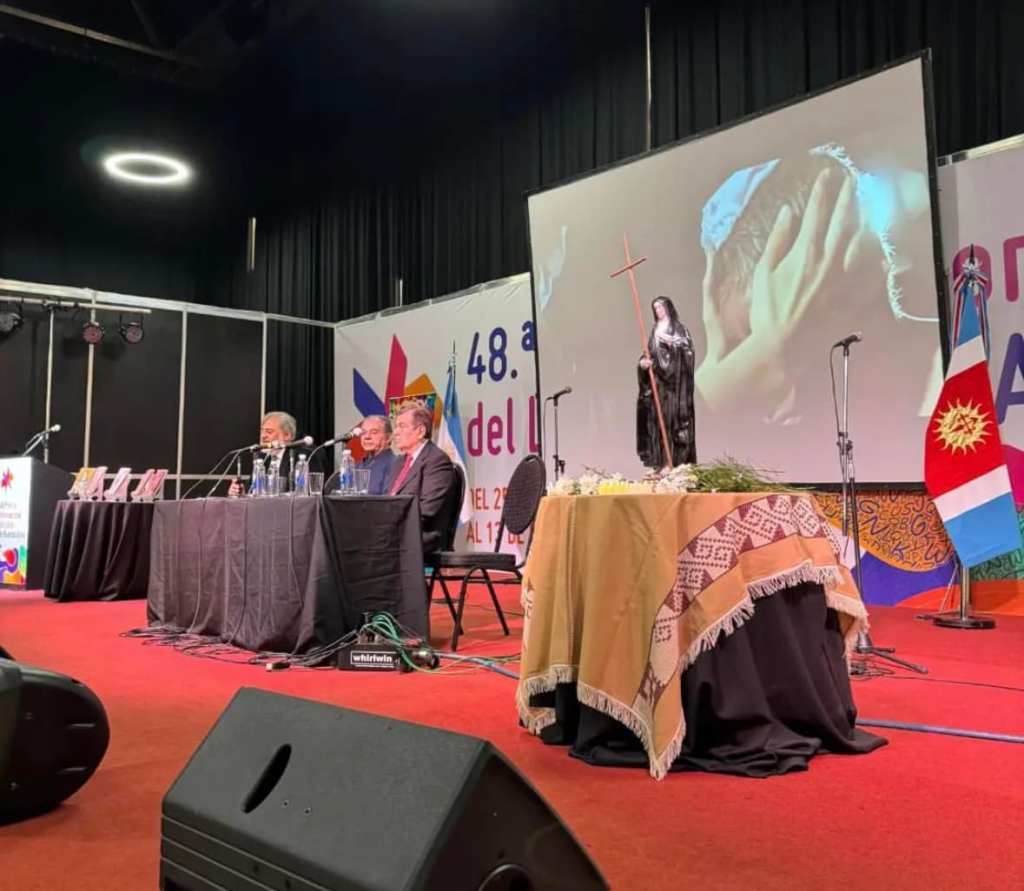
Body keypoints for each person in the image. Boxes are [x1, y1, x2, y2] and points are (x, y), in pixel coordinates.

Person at [384, 402, 459, 553]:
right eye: (396, 426)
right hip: (396, 532)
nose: (396, 432)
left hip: (422, 536)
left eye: (402, 426)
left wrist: (390, 526)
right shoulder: (399, 462)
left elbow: (427, 510)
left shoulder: (436, 460)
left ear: (420, 431)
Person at [637, 296, 696, 470]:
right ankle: (661, 462)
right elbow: (649, 353)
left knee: (672, 423)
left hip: (674, 388)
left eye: (661, 307)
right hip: (658, 385)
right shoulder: (655, 330)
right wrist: (643, 363)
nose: (658, 311)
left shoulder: (678, 329)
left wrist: (672, 345)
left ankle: (674, 463)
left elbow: (688, 351)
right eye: (655, 308)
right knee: (657, 424)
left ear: (668, 308)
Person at [228, 411, 298, 496]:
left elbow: (302, 494)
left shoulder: (299, 458)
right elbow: (253, 491)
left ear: (287, 435)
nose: (263, 436)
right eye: (262, 432)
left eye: (269, 432)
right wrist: (242, 493)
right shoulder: (262, 458)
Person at [356, 414, 398, 495]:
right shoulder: (359, 465)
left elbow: (388, 499)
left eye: (374, 432)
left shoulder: (394, 465)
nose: (367, 437)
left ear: (388, 437)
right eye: (363, 432)